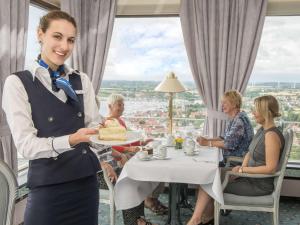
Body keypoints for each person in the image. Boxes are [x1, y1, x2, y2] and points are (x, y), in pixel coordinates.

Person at [2, 10, 117, 225]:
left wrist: (107, 143)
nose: (64, 46)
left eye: (70, 40)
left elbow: (93, 125)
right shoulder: (17, 83)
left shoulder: (81, 79)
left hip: (85, 182)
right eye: (57, 36)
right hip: (48, 187)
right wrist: (72, 139)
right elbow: (26, 146)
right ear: (40, 34)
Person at [187, 95, 285, 225]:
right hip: (247, 176)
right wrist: (240, 171)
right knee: (209, 175)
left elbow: (271, 168)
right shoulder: (263, 130)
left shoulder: (271, 135)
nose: (253, 113)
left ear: (265, 112)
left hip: (257, 184)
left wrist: (243, 169)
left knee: (208, 181)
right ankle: (206, 217)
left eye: (256, 110)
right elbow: (249, 153)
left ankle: (197, 220)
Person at [105, 93, 168, 215]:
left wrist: (141, 142)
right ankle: (148, 199)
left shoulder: (120, 121)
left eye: (123, 104)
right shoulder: (107, 123)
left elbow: (127, 138)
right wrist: (128, 150)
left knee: (157, 159)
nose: (122, 107)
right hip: (121, 156)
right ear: (109, 106)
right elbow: (110, 146)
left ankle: (151, 197)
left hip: (130, 153)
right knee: (152, 164)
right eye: (119, 105)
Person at [197, 90, 254, 161]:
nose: (222, 105)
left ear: (234, 104)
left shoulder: (240, 120)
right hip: (230, 158)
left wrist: (207, 143)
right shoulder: (235, 117)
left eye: (225, 103)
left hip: (234, 161)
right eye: (222, 103)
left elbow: (228, 144)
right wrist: (207, 140)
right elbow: (225, 138)